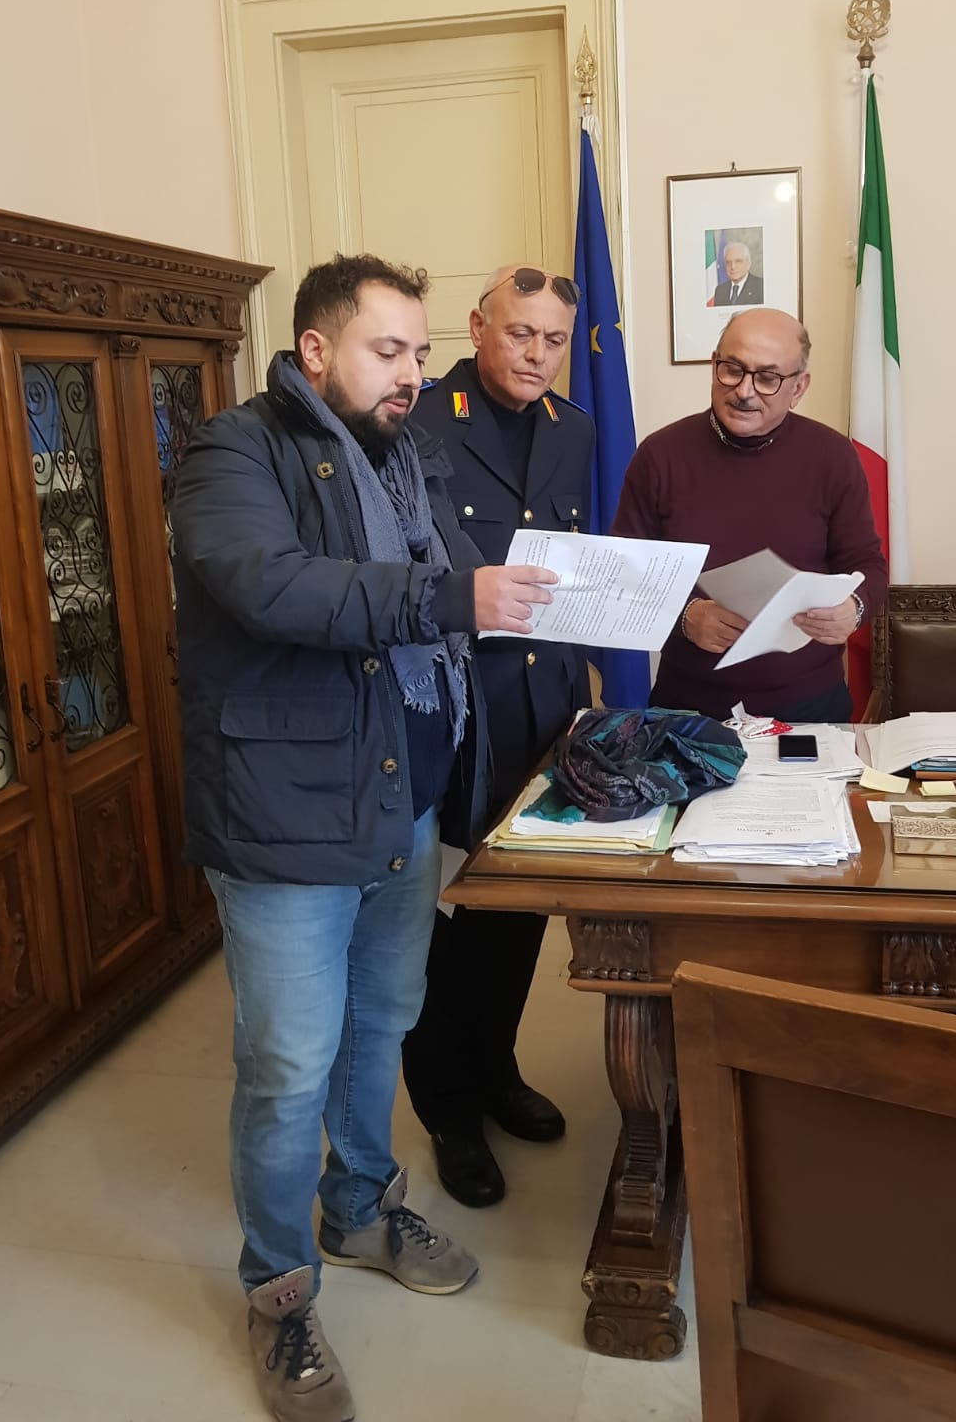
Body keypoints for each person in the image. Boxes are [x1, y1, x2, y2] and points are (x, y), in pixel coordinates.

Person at [170, 253, 559, 1422]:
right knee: (288, 1062)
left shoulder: (405, 455)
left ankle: (359, 1207)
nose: (412, 374)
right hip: (284, 818)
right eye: (388, 350)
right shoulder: (232, 452)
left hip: (401, 800)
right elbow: (274, 588)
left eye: (419, 353)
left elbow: (452, 575)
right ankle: (279, 1290)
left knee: (380, 1024)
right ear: (315, 350)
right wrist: (453, 599)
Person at [402, 263, 595, 1208]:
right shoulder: (417, 423)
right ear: (477, 328)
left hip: (541, 707)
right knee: (439, 926)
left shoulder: (574, 430)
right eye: (520, 333)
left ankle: (497, 1070)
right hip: (453, 712)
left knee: (519, 911)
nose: (537, 354)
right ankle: (448, 1110)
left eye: (553, 339)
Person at [610, 307, 886, 722]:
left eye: (768, 378)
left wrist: (855, 608)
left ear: (798, 387)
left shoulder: (832, 456)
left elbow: (868, 566)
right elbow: (623, 573)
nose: (744, 390)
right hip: (687, 705)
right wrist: (685, 617)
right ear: (713, 366)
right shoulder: (659, 455)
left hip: (808, 704)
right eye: (732, 369)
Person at [711, 240, 764, 307]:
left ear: (748, 263)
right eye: (728, 262)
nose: (733, 267)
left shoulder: (761, 286)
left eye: (738, 261)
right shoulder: (720, 290)